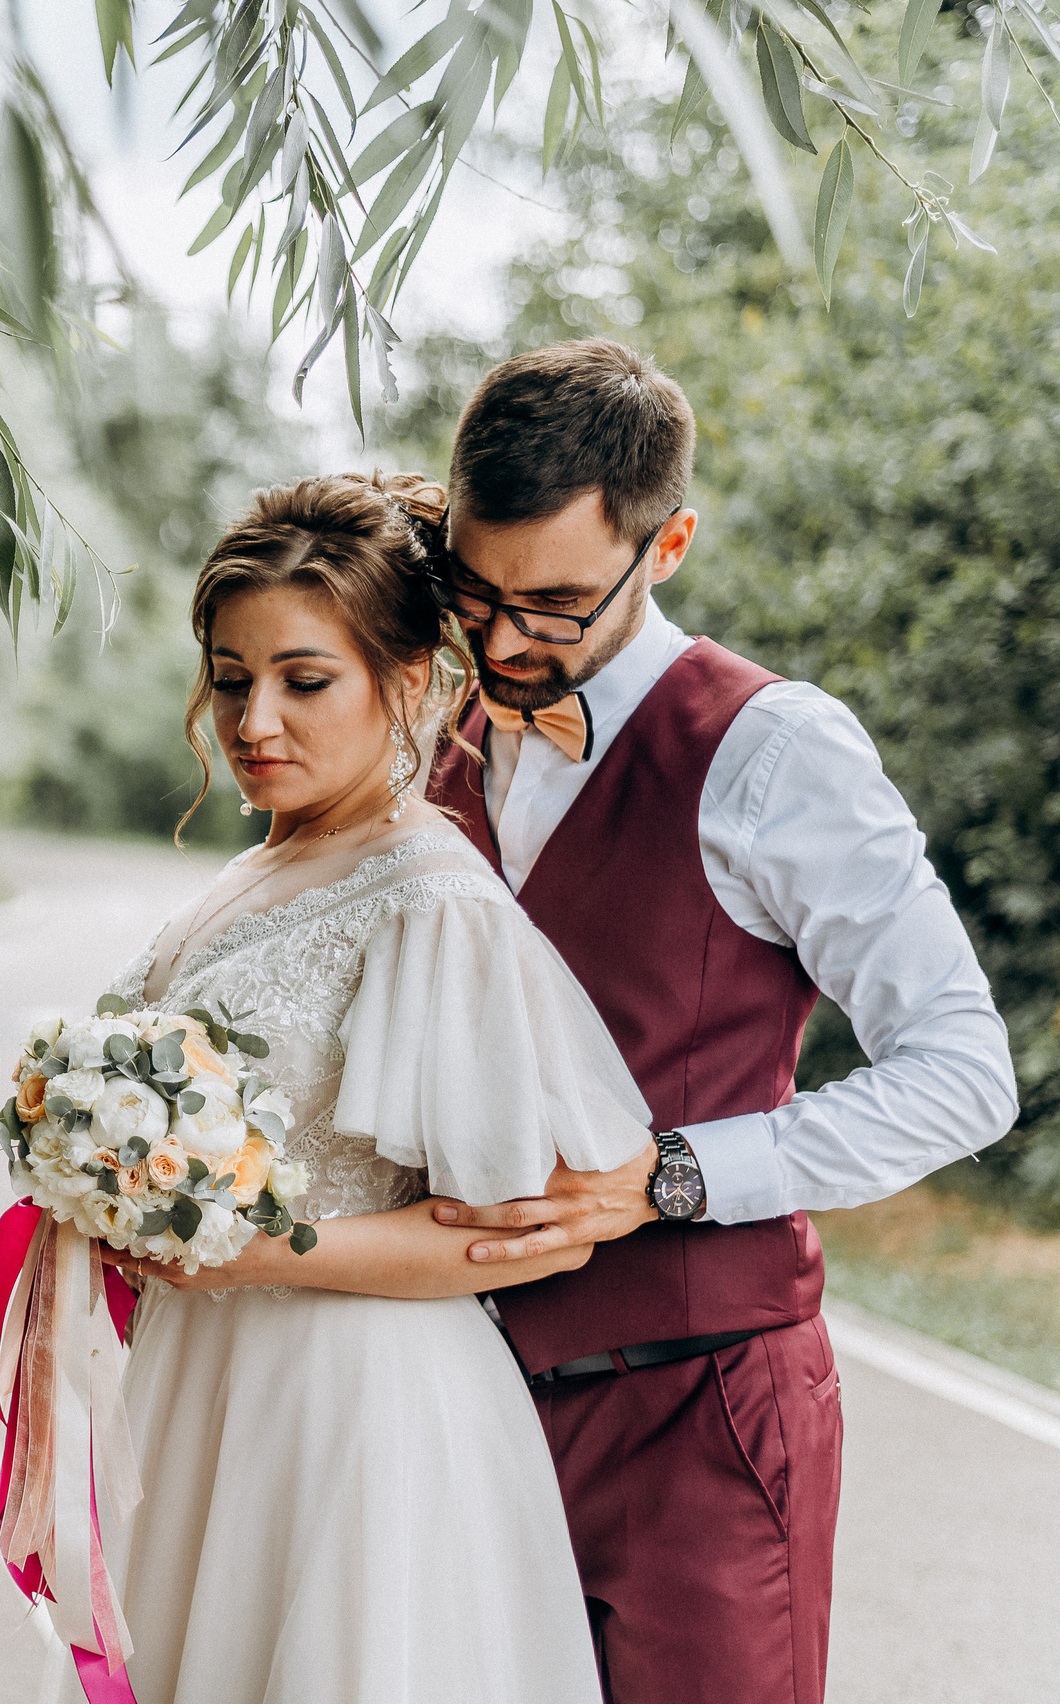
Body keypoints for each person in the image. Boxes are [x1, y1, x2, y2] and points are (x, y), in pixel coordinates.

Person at [393, 339, 1016, 1704]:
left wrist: (672, 1174)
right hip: (461, 1407)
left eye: (554, 603)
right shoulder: (441, 743)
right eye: (473, 592)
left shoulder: (775, 751)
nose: (502, 643)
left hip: (702, 1412)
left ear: (666, 542)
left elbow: (966, 1074)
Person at [64, 471, 661, 1704]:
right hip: (205, 1384)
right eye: (231, 680)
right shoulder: (262, 864)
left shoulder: (429, 901)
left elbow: (516, 1240)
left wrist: (247, 1249)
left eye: (302, 679)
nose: (253, 717)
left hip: (354, 1408)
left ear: (403, 681)